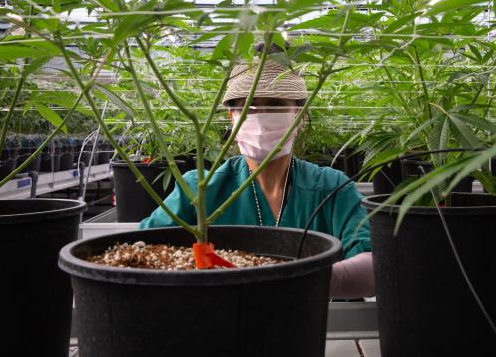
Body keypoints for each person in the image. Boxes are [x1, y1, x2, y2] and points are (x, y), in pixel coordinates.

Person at [140, 58, 374, 299]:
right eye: (249, 106)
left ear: (299, 116)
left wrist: (311, 281)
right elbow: (142, 249)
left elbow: (371, 263)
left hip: (311, 320)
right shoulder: (199, 188)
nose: (261, 116)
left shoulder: (331, 188)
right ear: (232, 117)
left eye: (275, 105)